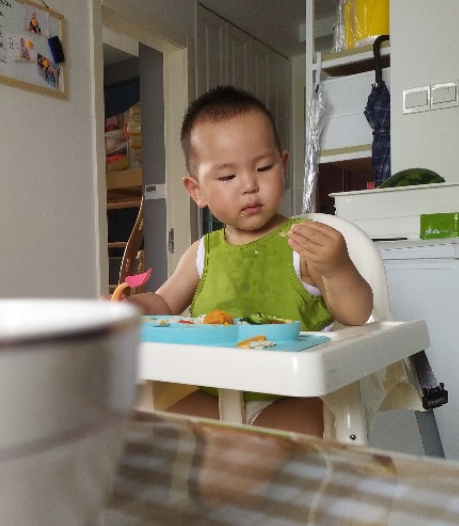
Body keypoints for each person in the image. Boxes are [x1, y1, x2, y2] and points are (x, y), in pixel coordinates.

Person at [126, 85, 373, 437]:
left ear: (283, 165)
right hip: (213, 391)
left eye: (264, 167)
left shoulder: (302, 241)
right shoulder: (202, 253)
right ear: (197, 190)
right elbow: (164, 302)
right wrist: (132, 308)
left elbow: (356, 315)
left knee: (269, 449)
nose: (249, 185)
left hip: (289, 396)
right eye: (227, 176)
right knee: (144, 428)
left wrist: (337, 267)